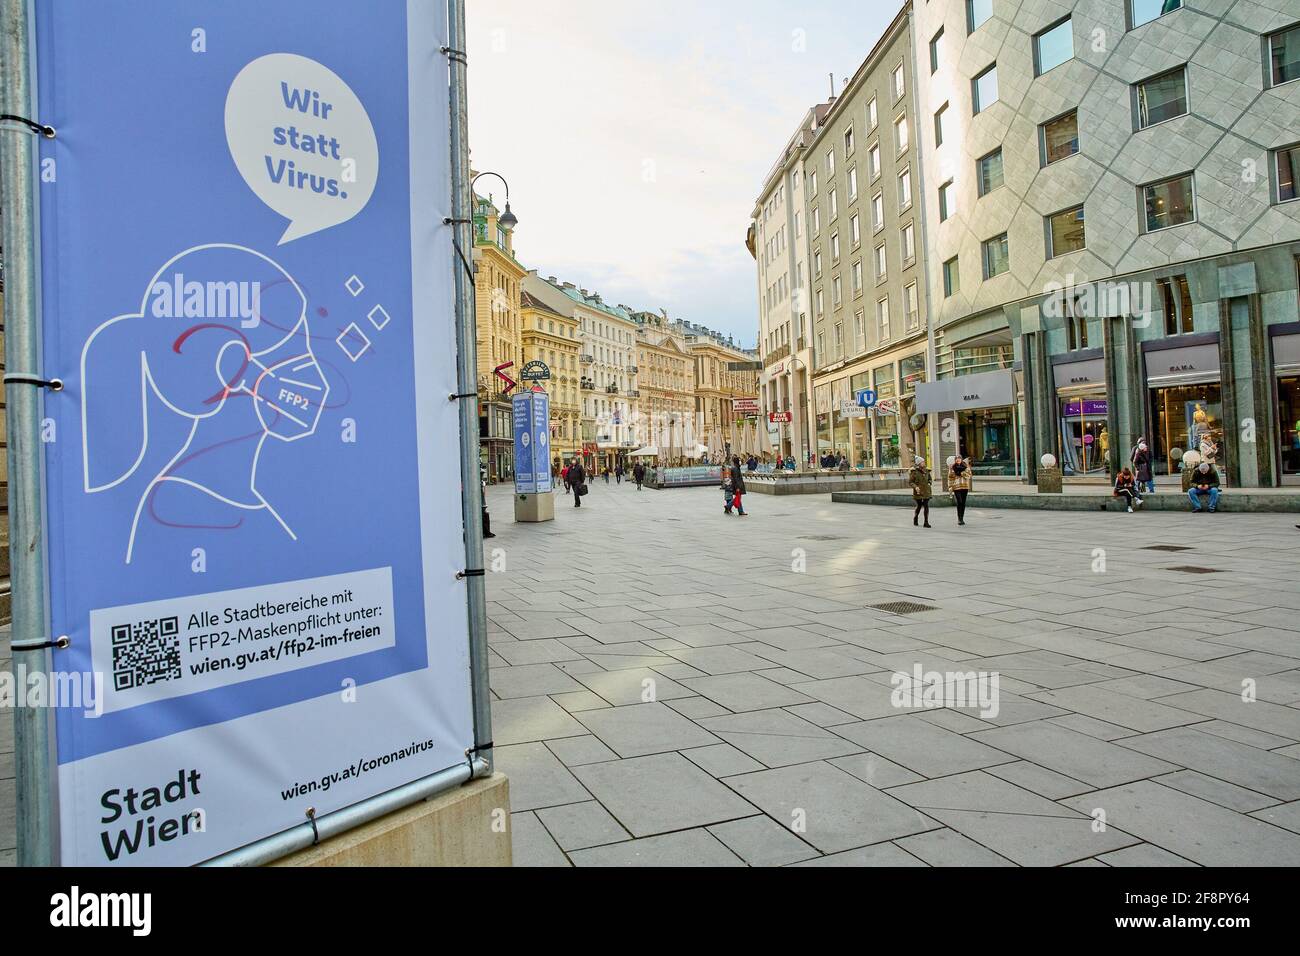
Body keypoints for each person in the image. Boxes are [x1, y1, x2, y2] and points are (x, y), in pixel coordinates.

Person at [948, 455, 972, 526]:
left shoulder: (966, 466)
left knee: (963, 503)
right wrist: (950, 486)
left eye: (959, 458)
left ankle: (962, 518)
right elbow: (950, 477)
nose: (958, 460)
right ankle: (959, 518)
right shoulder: (952, 467)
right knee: (959, 502)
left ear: (961, 459)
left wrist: (961, 473)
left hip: (964, 486)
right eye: (956, 459)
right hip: (956, 486)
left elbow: (969, 476)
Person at [909, 455, 932, 528]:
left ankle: (926, 522)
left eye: (924, 462)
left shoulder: (927, 470)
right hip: (918, 492)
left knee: (926, 506)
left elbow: (930, 479)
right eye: (922, 462)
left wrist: (929, 483)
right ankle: (916, 517)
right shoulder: (914, 472)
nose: (924, 463)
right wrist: (915, 487)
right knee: (919, 506)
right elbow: (910, 482)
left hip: (926, 491)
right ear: (919, 463)